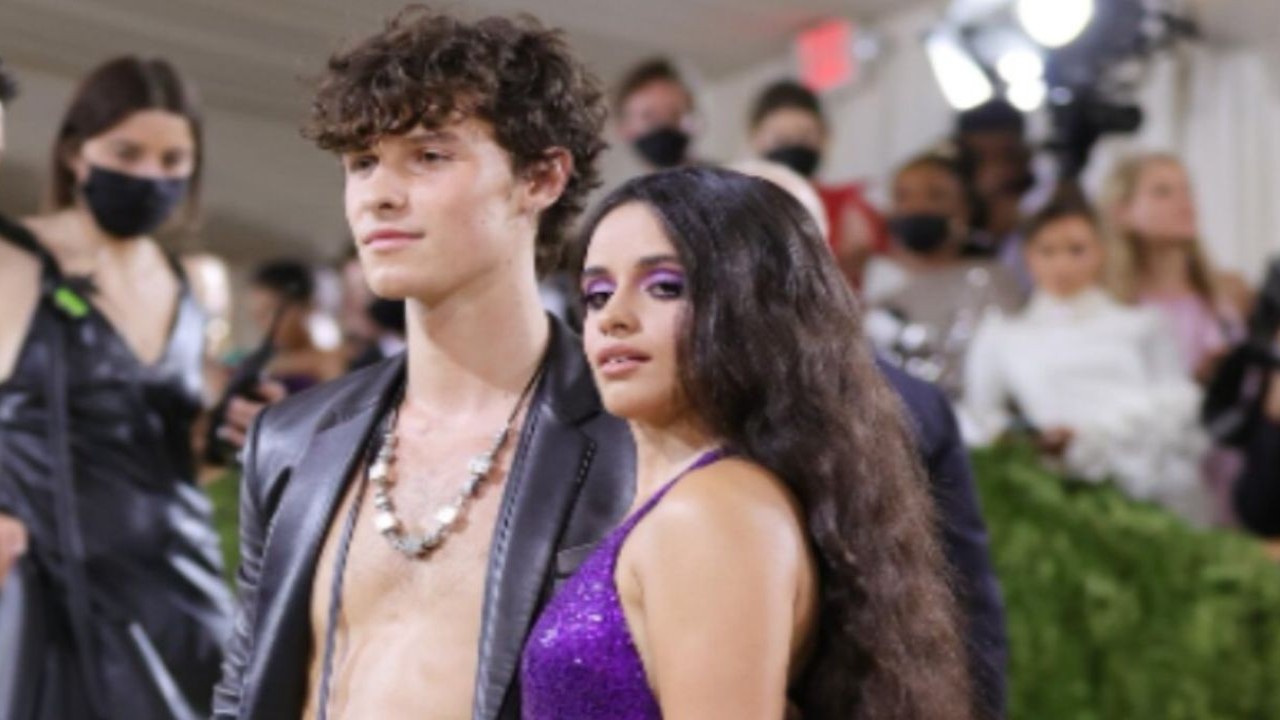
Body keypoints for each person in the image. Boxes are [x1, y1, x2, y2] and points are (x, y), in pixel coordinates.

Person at [212, 10, 634, 719]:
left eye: (429, 156)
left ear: (541, 178)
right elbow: (245, 688)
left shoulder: (637, 436)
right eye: (362, 162)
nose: (378, 193)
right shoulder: (289, 440)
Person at [521, 167, 970, 719]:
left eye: (665, 287)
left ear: (752, 308)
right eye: (596, 294)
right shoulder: (698, 499)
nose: (613, 317)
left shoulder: (711, 510)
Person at [0, 56, 231, 719]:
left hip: (182, 583)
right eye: (127, 152)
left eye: (172, 160)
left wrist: (224, 435)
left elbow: (182, 463)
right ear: (76, 153)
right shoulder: (15, 261)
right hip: (56, 598)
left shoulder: (197, 281)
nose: (151, 176)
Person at [962, 196, 1213, 524]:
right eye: (1046, 251)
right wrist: (1023, 439)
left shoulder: (1142, 325)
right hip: (1055, 498)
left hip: (1146, 487)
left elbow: (1180, 407)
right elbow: (979, 416)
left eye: (1076, 250)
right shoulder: (1003, 336)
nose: (1061, 265)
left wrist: (1092, 437)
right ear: (1028, 257)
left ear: (1101, 252)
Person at [1102, 152, 1254, 523]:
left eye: (1186, 190)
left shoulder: (1229, 291)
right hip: (1162, 476)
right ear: (1122, 211)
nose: (1184, 203)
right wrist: (1194, 383)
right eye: (1162, 192)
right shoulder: (1112, 303)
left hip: (1237, 465)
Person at [864, 153, 1023, 398]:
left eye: (935, 196)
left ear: (966, 208)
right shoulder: (875, 284)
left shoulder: (988, 280)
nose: (916, 207)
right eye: (903, 196)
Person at [747, 79, 888, 289]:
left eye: (805, 136)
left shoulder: (851, 203)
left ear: (825, 138)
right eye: (781, 138)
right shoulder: (740, 208)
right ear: (756, 139)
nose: (794, 145)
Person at [953, 99, 1037, 289]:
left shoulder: (1042, 206)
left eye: (1005, 156)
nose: (995, 172)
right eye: (980, 157)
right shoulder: (952, 215)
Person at [244, 258, 345, 393]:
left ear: (304, 306)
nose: (264, 324)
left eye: (270, 312)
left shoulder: (329, 360)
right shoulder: (256, 363)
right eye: (257, 315)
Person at [614, 58, 699, 171]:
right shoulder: (632, 188)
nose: (664, 124)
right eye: (648, 116)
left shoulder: (725, 183)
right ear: (624, 129)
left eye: (674, 114)